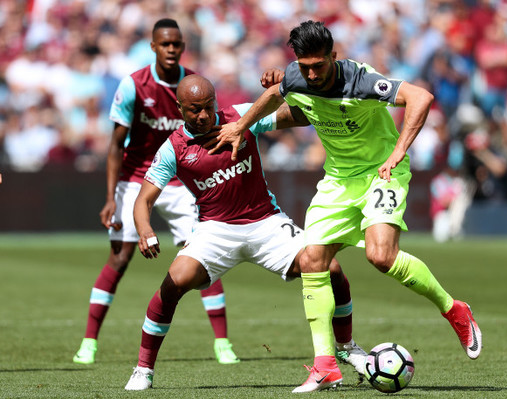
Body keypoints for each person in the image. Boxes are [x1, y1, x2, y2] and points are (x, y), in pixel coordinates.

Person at [211, 20, 483, 392]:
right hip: (338, 179)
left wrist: (398, 152)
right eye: (304, 67)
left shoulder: (360, 81)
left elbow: (421, 97)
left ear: (334, 57)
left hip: (381, 173)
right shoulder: (297, 75)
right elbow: (278, 92)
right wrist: (243, 125)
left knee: (381, 257)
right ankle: (325, 365)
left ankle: (454, 310)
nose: (310, 74)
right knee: (311, 260)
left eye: (317, 66)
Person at [124, 74, 367, 392]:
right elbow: (143, 199)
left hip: (266, 223)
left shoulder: (241, 116)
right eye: (194, 110)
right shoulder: (173, 148)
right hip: (216, 231)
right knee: (173, 284)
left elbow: (302, 115)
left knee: (330, 267)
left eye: (208, 107)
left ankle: (347, 348)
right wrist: (145, 229)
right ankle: (143, 370)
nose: (202, 115)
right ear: (179, 108)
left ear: (215, 101)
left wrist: (292, 86)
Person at [73, 18, 239, 366]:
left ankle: (222, 342)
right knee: (119, 258)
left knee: (202, 255)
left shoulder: (194, 87)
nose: (172, 50)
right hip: (135, 178)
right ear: (153, 46)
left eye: (177, 44)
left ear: (182, 47)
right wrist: (109, 197)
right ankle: (89, 341)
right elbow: (116, 145)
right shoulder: (134, 85)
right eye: (165, 44)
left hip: (179, 180)